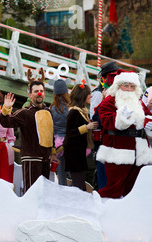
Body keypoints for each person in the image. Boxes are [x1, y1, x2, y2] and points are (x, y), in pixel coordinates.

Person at [96, 71, 152, 199]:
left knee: (133, 189)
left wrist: (149, 124)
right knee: (113, 188)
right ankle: (100, 209)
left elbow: (147, 116)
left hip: (140, 151)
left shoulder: (139, 102)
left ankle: (126, 214)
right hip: (118, 150)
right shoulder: (108, 102)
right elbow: (107, 122)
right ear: (118, 86)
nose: (129, 89)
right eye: (125, 85)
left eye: (132, 86)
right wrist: (122, 116)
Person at [0, 80, 58, 194]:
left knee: (44, 192)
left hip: (45, 159)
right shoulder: (25, 113)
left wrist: (53, 153)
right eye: (36, 91)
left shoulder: (48, 111)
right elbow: (6, 122)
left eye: (41, 91)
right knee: (31, 192)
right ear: (30, 94)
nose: (39, 93)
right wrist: (6, 109)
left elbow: (50, 134)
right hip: (31, 158)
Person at [63, 82, 98, 192]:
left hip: (79, 153)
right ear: (82, 95)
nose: (91, 96)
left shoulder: (82, 111)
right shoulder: (74, 112)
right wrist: (86, 127)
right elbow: (69, 132)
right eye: (88, 94)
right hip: (74, 154)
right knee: (79, 186)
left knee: (78, 183)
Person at [50, 79, 70, 186]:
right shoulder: (70, 107)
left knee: (61, 171)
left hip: (57, 142)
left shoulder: (52, 108)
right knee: (73, 170)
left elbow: (51, 127)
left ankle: (63, 190)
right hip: (69, 140)